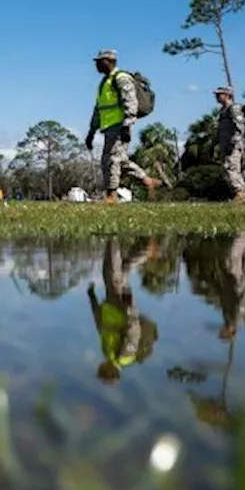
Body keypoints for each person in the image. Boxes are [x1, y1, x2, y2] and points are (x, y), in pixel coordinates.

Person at [84, 50, 160, 203]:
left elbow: (131, 103)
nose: (97, 65)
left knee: (112, 160)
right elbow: (99, 108)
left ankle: (112, 195)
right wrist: (91, 131)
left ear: (110, 61)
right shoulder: (104, 83)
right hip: (108, 126)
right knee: (119, 160)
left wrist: (127, 125)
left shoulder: (121, 79)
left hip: (120, 125)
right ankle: (147, 181)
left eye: (100, 61)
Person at [88, 237, 159, 384]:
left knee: (122, 270)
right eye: (101, 371)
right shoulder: (125, 355)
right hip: (120, 304)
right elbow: (133, 330)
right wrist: (127, 309)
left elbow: (100, 326)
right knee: (112, 271)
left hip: (111, 303)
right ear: (110, 372)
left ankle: (145, 252)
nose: (99, 367)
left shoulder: (109, 354)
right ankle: (112, 236)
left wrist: (93, 299)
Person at [214, 87, 245, 202]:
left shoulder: (233, 108)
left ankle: (240, 193)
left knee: (232, 168)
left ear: (228, 95)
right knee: (227, 169)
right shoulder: (223, 110)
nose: (217, 96)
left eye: (220, 94)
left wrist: (234, 143)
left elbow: (240, 127)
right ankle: (238, 193)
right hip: (225, 145)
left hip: (233, 145)